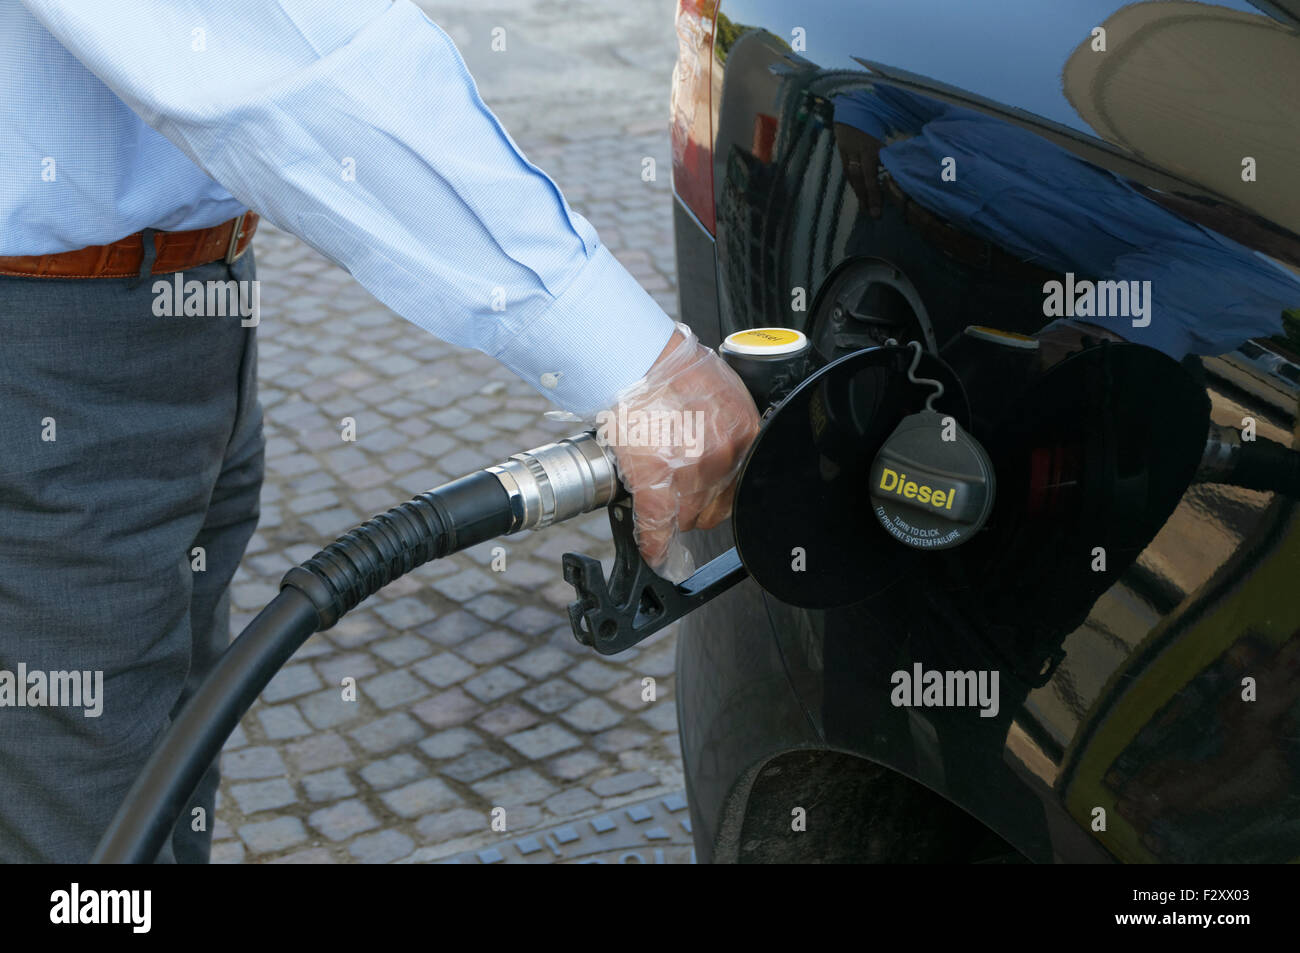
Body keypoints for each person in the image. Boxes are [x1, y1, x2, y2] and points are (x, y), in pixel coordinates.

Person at [0, 0, 758, 863]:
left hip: (181, 301)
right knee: (86, 827)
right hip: (46, 343)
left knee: (160, 780)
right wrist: (637, 361)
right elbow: (288, 51)